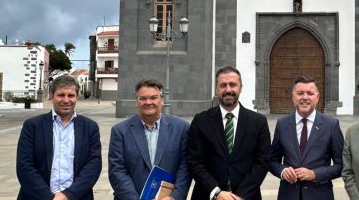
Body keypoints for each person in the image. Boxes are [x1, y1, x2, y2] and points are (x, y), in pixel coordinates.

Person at [187, 66, 271, 200]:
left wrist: (240, 196)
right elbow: (194, 161)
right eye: (223, 85)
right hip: (208, 195)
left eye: (232, 85)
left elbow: (262, 162)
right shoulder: (200, 121)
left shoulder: (258, 122)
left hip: (246, 196)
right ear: (216, 88)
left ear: (241, 87)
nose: (228, 90)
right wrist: (216, 192)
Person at [16, 75, 102, 200]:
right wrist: (49, 197)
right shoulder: (32, 126)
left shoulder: (90, 127)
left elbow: (94, 165)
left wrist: (68, 195)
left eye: (71, 95)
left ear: (77, 97)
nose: (66, 100)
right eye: (61, 95)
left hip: (77, 197)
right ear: (52, 96)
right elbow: (25, 166)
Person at [108, 79, 191, 200]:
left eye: (153, 97)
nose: (148, 102)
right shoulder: (120, 131)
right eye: (142, 98)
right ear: (137, 102)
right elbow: (117, 171)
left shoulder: (182, 128)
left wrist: (174, 198)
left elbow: (185, 169)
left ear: (162, 100)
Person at [269, 76, 344, 200]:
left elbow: (342, 165)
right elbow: (272, 161)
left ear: (317, 97)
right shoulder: (282, 124)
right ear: (293, 96)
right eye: (300, 93)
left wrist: (315, 174)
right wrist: (283, 171)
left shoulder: (331, 125)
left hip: (319, 195)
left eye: (310, 93)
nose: (305, 97)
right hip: (288, 195)